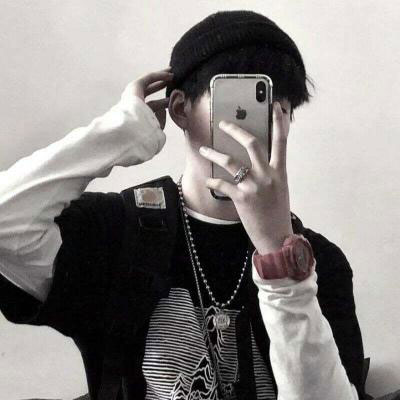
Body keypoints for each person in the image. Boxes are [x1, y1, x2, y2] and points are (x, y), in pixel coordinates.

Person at [0, 10, 366, 400]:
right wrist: (123, 132)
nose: (257, 129)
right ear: (180, 110)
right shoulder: (116, 233)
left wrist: (281, 259)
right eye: (237, 107)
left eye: (280, 110)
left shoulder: (318, 263)